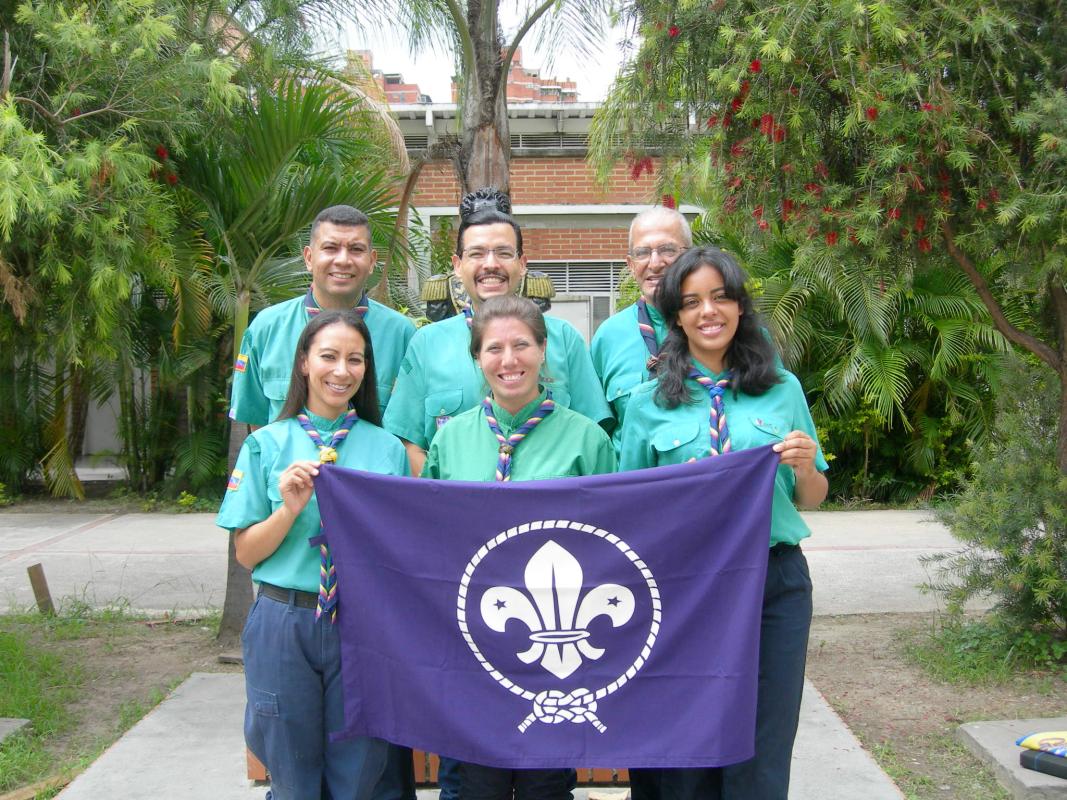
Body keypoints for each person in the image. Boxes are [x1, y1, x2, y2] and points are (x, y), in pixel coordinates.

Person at [618, 247, 828, 800]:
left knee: (764, 738)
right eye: (691, 302)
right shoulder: (646, 406)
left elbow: (813, 498)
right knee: (688, 738)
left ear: (739, 307)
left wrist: (805, 466)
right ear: (675, 316)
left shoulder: (782, 389)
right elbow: (626, 514)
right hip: (683, 589)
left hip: (772, 584)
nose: (707, 312)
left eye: (720, 297)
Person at [424, 294, 616, 800]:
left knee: (546, 784)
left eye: (521, 345)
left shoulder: (588, 440)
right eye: (493, 349)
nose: (508, 360)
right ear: (477, 358)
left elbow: (611, 545)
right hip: (471, 642)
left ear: (543, 350)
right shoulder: (450, 441)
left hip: (557, 645)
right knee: (472, 781)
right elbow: (431, 540)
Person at [218, 310, 410, 800]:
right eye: (328, 356)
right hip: (286, 619)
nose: (341, 370)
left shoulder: (387, 449)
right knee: (290, 770)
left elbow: (400, 546)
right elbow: (246, 554)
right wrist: (288, 509)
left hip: (361, 622)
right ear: (303, 363)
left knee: (359, 769)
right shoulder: (266, 444)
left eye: (355, 359)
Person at [383, 194, 610, 478]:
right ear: (457, 264)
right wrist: (442, 500)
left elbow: (593, 438)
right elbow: (408, 442)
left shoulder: (563, 338)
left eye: (503, 253)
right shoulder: (427, 343)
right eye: (477, 253)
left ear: (522, 262)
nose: (490, 264)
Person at [229, 205, 415, 426]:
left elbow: (410, 429)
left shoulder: (402, 335)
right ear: (309, 257)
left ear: (372, 261)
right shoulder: (266, 329)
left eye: (356, 249)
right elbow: (256, 422)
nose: (343, 260)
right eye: (330, 248)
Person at [590, 207, 692, 452]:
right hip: (630, 483)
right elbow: (595, 432)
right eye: (643, 253)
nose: (655, 263)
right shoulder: (608, 336)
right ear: (630, 264)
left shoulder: (719, 328)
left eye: (667, 250)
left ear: (689, 256)